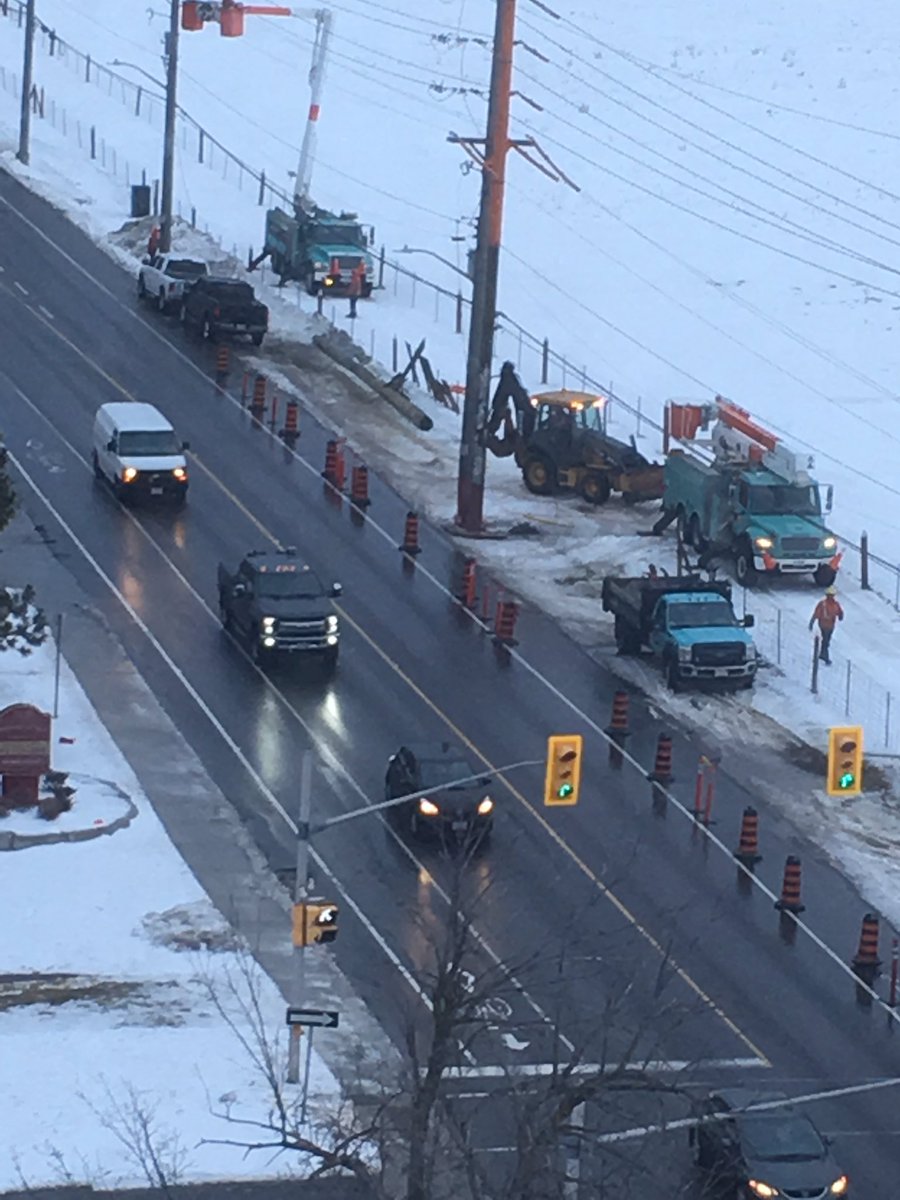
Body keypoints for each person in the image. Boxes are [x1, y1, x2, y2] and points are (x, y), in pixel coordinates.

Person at [809, 585, 844, 664]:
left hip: (830, 626)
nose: (831, 597)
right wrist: (812, 621)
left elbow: (840, 613)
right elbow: (816, 613)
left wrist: (841, 616)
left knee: (826, 640)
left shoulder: (834, 604)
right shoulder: (823, 604)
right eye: (830, 595)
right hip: (824, 625)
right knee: (826, 641)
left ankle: (822, 654)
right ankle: (825, 657)